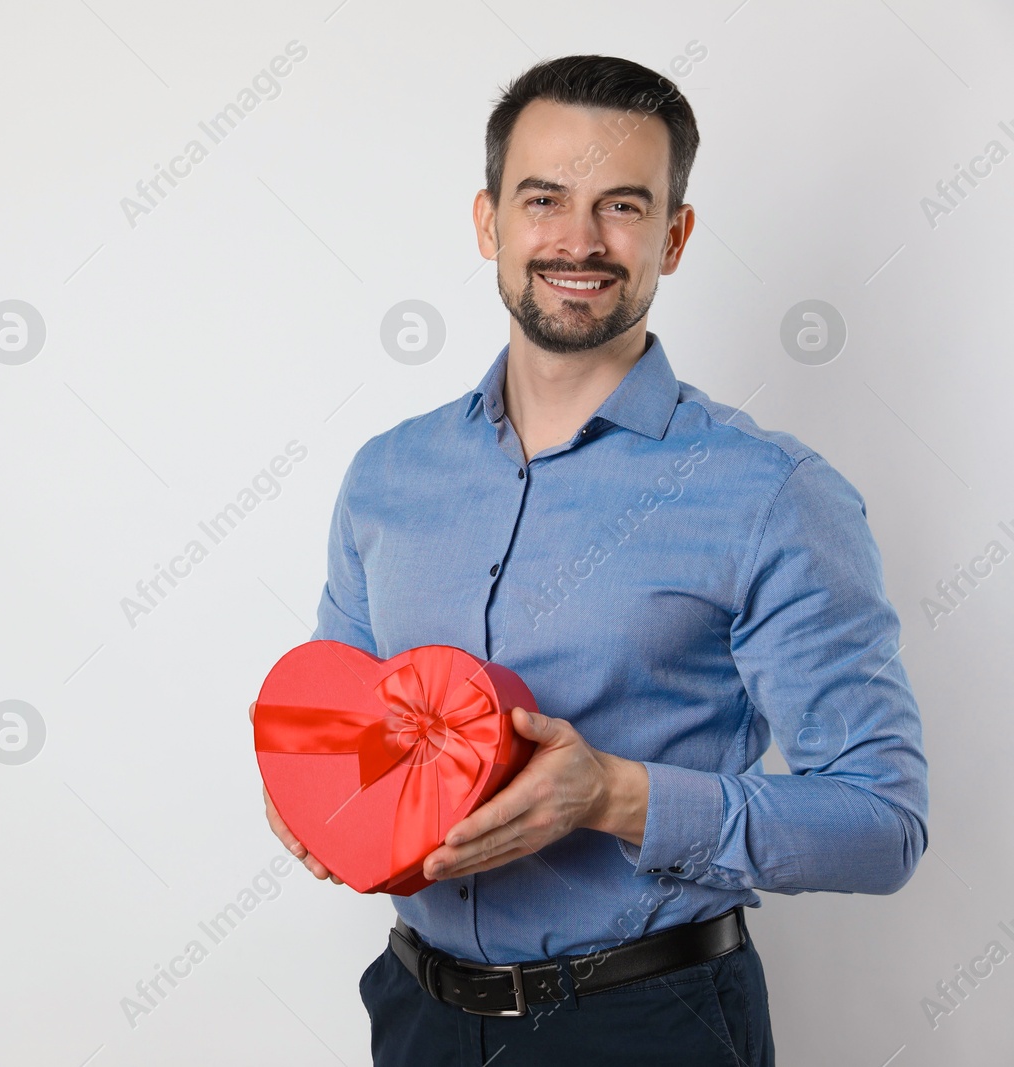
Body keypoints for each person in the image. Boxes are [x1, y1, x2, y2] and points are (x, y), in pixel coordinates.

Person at [258, 54, 928, 1066]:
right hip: (416, 1015)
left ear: (674, 235)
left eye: (621, 205)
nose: (578, 240)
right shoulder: (387, 474)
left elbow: (882, 821)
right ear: (488, 221)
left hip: (646, 1023)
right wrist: (310, 791)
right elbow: (349, 723)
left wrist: (613, 795)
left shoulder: (769, 492)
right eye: (543, 199)